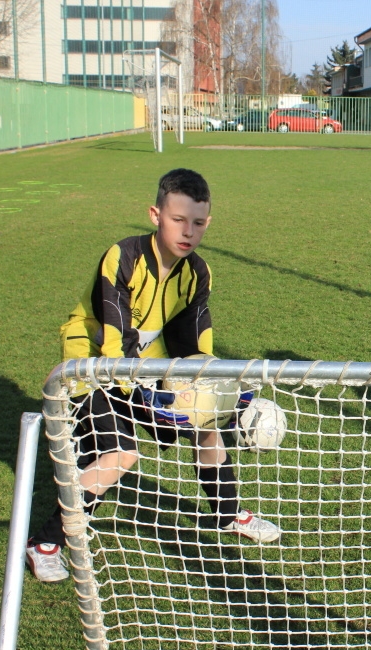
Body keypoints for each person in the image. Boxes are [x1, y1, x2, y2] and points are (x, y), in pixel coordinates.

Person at [27, 168, 281, 583]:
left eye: (198, 223)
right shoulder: (123, 256)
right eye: (178, 220)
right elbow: (113, 343)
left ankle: (229, 514)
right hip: (91, 363)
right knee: (119, 455)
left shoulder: (198, 272)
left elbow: (196, 345)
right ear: (155, 215)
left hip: (146, 360)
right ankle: (46, 542)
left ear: (208, 223)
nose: (188, 232)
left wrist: (223, 392)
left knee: (206, 426)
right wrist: (149, 398)